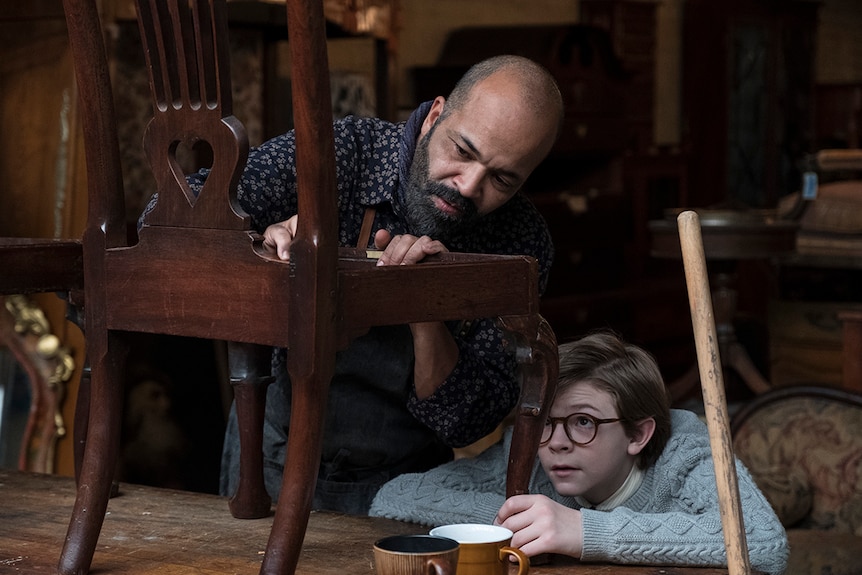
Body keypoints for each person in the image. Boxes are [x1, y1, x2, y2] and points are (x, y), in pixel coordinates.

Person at [140, 55, 564, 513]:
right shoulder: (345, 153)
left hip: (406, 488)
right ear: (435, 115)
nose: (467, 186)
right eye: (462, 151)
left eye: (501, 179)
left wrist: (425, 312)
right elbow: (166, 222)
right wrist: (262, 241)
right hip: (268, 462)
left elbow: (466, 423)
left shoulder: (520, 241)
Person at [368, 331, 789, 575]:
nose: (558, 442)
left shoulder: (684, 450)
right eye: (547, 421)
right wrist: (529, 519)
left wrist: (584, 531)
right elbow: (397, 495)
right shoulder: (532, 451)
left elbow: (763, 541)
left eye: (584, 421)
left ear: (638, 434)